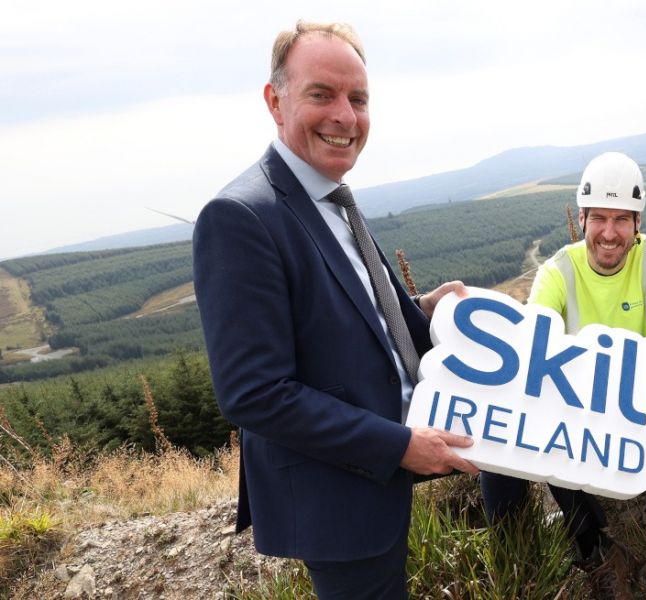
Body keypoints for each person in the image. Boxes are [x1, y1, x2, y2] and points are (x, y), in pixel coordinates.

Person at [192, 21, 477, 600]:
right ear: (276, 100)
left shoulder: (332, 196)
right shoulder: (240, 217)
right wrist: (399, 446)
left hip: (376, 479)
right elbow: (254, 393)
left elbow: (356, 314)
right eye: (322, 94)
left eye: (359, 99)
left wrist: (428, 308)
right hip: (337, 494)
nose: (346, 117)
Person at [479, 152, 646, 599]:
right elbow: (533, 352)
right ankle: (593, 549)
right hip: (580, 400)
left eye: (623, 219)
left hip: (645, 397)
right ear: (581, 218)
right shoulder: (557, 270)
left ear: (638, 222)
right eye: (598, 218)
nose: (610, 233)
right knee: (542, 432)